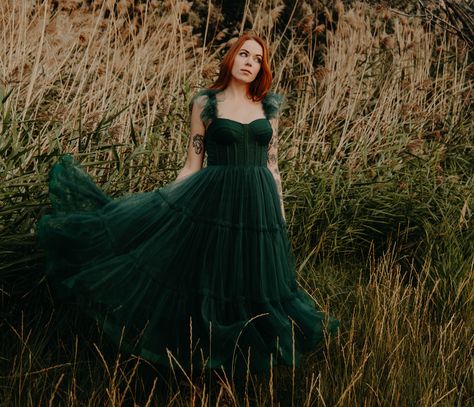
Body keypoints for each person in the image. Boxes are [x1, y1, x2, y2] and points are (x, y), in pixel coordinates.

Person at [37, 33, 339, 376]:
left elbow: (273, 165)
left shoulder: (267, 106)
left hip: (260, 204)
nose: (249, 63)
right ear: (231, 58)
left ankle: (249, 362)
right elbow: (192, 163)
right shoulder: (206, 103)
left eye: (257, 59)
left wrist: (280, 211)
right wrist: (167, 203)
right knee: (212, 277)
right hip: (214, 199)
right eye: (244, 54)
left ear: (262, 68)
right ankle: (205, 358)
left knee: (255, 280)